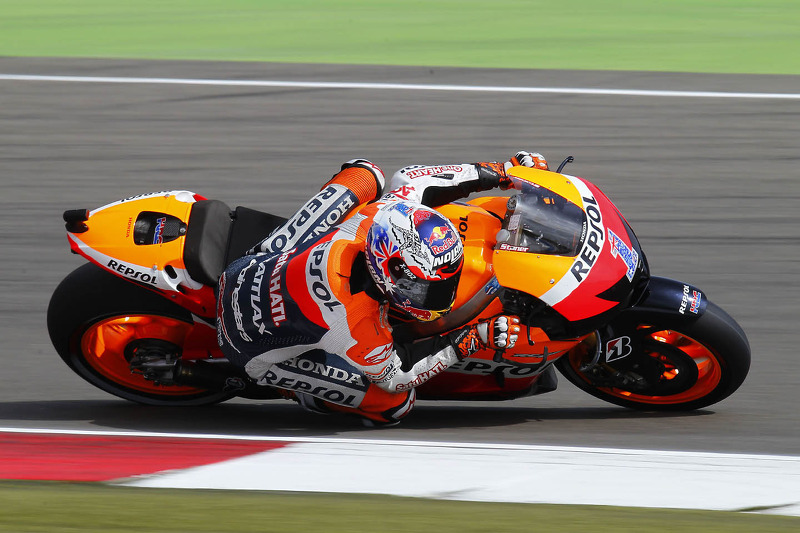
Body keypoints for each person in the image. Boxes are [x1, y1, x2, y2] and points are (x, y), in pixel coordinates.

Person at [216, 151, 549, 425]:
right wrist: (470, 340)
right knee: (395, 405)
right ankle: (297, 391)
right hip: (246, 345)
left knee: (365, 174)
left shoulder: (378, 216)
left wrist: (504, 172)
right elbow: (397, 376)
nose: (438, 296)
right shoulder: (358, 328)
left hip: (255, 264)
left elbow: (416, 179)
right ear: (389, 269)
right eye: (424, 287)